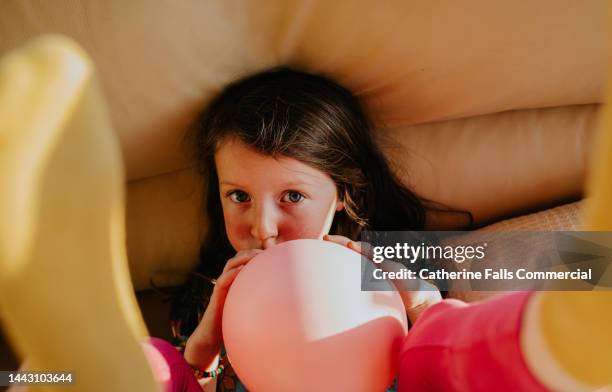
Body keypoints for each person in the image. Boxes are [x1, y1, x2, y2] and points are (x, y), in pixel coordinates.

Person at [151, 66, 445, 391]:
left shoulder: (394, 282)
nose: (263, 228)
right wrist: (200, 357)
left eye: (293, 196)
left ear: (343, 193)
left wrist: (425, 313)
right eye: (239, 195)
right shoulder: (204, 305)